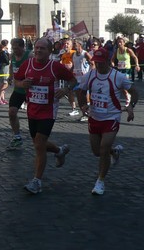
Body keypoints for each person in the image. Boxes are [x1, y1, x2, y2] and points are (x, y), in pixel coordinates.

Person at [14, 37, 77, 194]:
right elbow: (16, 80)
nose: (38, 50)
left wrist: (66, 89)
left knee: (39, 144)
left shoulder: (55, 67)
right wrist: (22, 84)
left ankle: (37, 181)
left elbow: (73, 80)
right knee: (38, 143)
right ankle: (59, 150)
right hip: (32, 110)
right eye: (37, 48)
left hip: (48, 111)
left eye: (42, 48)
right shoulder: (27, 64)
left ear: (50, 51)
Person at [77, 48, 138, 195]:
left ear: (107, 61)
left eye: (100, 62)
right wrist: (82, 105)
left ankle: (100, 181)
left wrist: (130, 107)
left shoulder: (118, 76)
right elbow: (80, 91)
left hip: (111, 117)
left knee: (103, 149)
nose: (98, 65)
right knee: (97, 151)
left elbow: (134, 92)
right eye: (95, 62)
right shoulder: (90, 75)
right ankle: (114, 151)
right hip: (94, 117)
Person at [6, 38, 31, 150]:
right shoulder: (13, 56)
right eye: (13, 48)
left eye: (16, 48)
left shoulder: (29, 55)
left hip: (30, 90)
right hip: (18, 89)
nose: (14, 50)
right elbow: (12, 65)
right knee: (12, 112)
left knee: (33, 116)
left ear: (22, 47)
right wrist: (11, 76)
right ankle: (17, 136)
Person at [0, 39, 10, 105]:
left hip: (3, 67)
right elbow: (7, 61)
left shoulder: (1, 51)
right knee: (4, 84)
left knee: (3, 83)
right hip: (4, 68)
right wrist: (8, 54)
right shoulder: (3, 52)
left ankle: (2, 98)